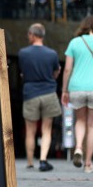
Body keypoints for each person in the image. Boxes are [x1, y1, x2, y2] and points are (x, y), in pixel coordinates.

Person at [60, 15, 93, 173]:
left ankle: (78, 148)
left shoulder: (74, 42)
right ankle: (88, 164)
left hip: (77, 87)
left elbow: (68, 69)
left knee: (80, 121)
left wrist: (64, 90)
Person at [18, 23, 62, 172]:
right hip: (49, 93)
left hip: (30, 94)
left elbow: (22, 73)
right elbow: (56, 73)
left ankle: (30, 161)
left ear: (32, 34)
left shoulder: (23, 53)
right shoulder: (52, 54)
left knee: (30, 131)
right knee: (46, 129)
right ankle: (43, 160)